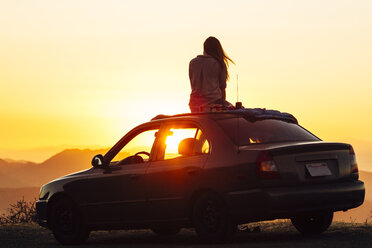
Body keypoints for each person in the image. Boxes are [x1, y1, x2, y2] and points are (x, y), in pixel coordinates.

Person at [188, 36, 235, 112]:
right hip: (214, 105)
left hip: (194, 105)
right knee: (238, 110)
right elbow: (222, 89)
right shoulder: (219, 63)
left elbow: (193, 84)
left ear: (205, 48)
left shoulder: (192, 62)